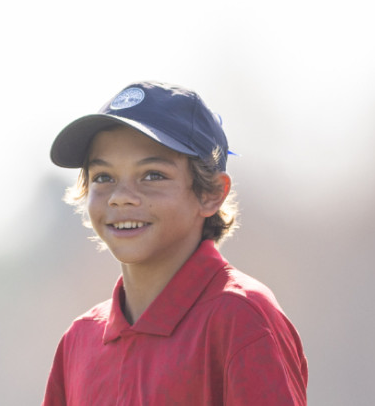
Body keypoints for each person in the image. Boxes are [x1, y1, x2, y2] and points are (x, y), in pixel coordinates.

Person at [42, 81, 308, 405]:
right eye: (103, 177)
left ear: (210, 193)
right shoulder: (79, 341)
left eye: (152, 175)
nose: (121, 197)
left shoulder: (241, 318)